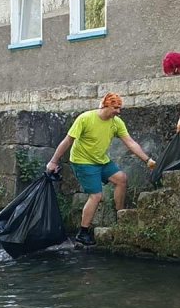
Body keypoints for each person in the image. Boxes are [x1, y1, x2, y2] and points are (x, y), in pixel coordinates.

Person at [46, 92, 156, 246]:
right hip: (82, 161)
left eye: (120, 108)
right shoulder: (86, 118)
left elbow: (130, 142)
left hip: (101, 161)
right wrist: (53, 161)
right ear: (105, 105)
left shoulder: (116, 122)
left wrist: (147, 160)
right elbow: (68, 140)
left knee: (121, 179)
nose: (118, 111)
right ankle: (83, 233)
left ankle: (121, 216)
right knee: (96, 196)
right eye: (115, 108)